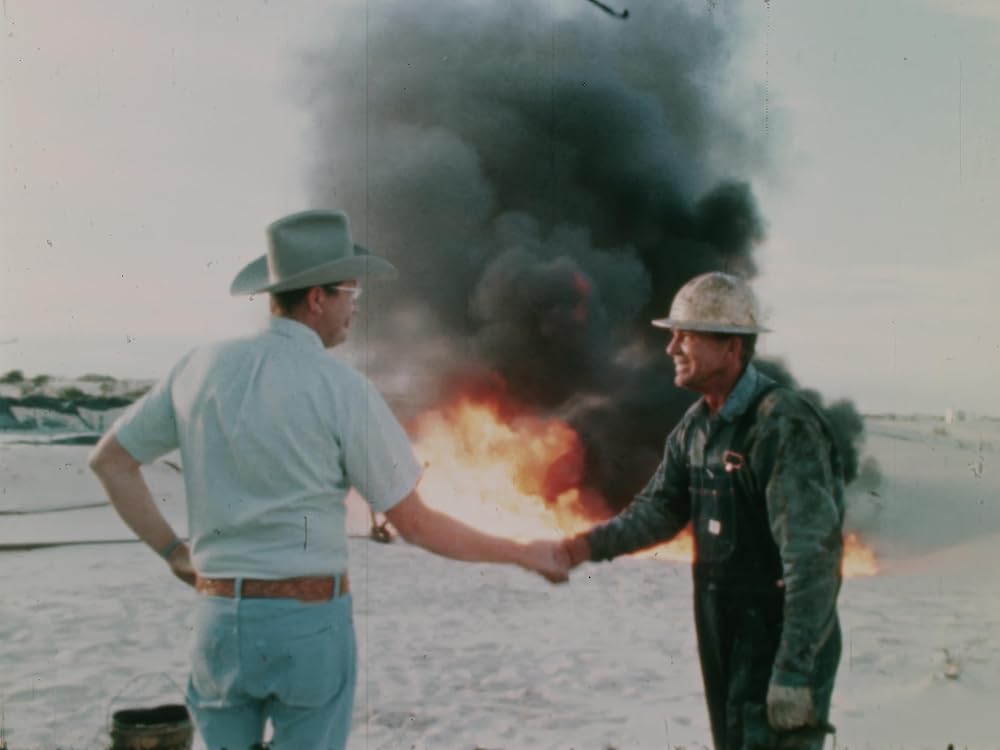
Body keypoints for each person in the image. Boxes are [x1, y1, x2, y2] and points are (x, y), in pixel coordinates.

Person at [89, 209, 569, 750]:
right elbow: (416, 524)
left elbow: (110, 463)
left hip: (218, 620)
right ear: (317, 298)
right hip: (308, 623)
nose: (356, 307)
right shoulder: (343, 389)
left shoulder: (198, 367)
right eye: (351, 293)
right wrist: (523, 553)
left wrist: (174, 552)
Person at [561, 272, 844, 750]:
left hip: (778, 642)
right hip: (723, 630)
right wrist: (585, 546)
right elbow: (658, 510)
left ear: (731, 347)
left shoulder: (781, 424)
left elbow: (812, 558)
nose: (671, 348)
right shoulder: (696, 429)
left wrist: (795, 672)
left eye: (685, 336)